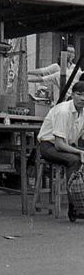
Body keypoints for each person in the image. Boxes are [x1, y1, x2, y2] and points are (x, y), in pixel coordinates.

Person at [37, 79, 84, 219]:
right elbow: (59, 144)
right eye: (79, 94)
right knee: (74, 160)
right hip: (49, 146)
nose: (82, 98)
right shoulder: (64, 111)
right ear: (72, 95)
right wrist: (80, 152)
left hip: (68, 145)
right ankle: (75, 207)